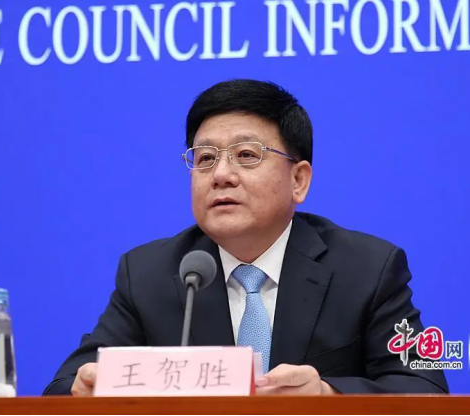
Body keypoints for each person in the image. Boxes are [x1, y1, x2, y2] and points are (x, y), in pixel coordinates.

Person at [44, 79, 448, 396]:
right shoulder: (149, 274)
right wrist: (89, 388)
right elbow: (64, 388)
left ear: (298, 180)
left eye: (246, 155)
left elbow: (424, 388)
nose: (221, 174)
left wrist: (329, 395)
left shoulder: (367, 269)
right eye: (205, 158)